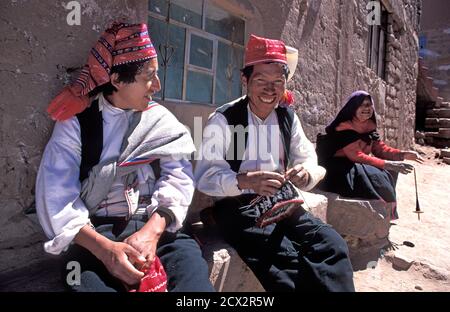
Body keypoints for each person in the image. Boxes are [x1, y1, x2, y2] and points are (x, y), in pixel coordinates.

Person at [36, 22, 214, 292]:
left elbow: (179, 176)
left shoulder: (159, 119)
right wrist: (106, 251)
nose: (157, 85)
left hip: (157, 228)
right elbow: (56, 195)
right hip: (96, 236)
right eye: (148, 77)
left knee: (195, 285)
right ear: (117, 79)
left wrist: (152, 232)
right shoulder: (77, 124)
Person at [194, 34, 355, 292]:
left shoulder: (287, 118)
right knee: (285, 261)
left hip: (282, 201)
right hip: (239, 207)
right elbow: (205, 176)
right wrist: (244, 180)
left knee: (331, 244)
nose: (270, 90)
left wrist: (306, 174)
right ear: (245, 81)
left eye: (277, 82)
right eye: (261, 81)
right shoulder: (227, 120)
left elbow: (308, 158)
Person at [316, 90, 423, 219]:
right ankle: (373, 213)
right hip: (339, 166)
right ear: (353, 108)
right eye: (362, 105)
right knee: (375, 174)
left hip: (356, 163)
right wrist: (387, 164)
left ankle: (387, 212)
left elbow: (380, 150)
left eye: (369, 105)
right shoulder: (344, 127)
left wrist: (403, 154)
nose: (366, 108)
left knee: (392, 171)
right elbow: (356, 155)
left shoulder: (369, 126)